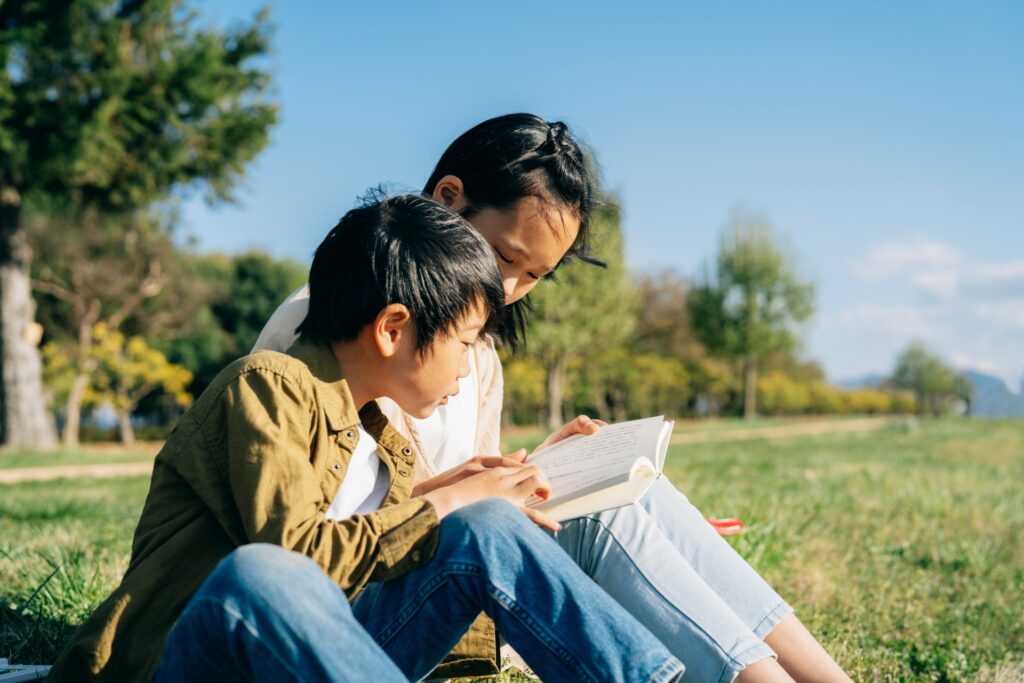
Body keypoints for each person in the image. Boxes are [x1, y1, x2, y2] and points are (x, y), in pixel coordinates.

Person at [256, 114, 851, 683]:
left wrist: (530, 469)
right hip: (374, 597)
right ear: (448, 198)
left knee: (636, 487)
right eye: (507, 257)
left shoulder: (478, 355)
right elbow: (323, 527)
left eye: (536, 274)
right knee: (601, 516)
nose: (508, 289)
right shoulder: (333, 328)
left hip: (430, 560)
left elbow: (448, 490)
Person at [49, 194, 684, 683]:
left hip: (320, 656)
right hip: (190, 660)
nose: (467, 370)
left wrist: (473, 491)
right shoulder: (267, 385)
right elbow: (298, 556)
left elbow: (380, 541)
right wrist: (444, 503)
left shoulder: (379, 429)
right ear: (392, 328)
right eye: (464, 344)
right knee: (261, 574)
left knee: (486, 523)